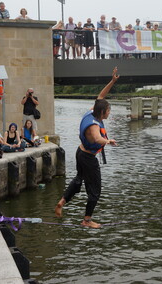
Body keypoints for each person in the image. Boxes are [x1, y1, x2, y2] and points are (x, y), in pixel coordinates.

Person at [54, 67, 120, 229]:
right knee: (95, 191)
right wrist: (108, 141)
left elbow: (101, 96)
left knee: (78, 180)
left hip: (80, 152)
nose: (109, 113)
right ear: (103, 112)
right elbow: (97, 138)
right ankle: (87, 220)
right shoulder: (94, 126)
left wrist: (112, 81)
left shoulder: (91, 112)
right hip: (88, 158)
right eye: (109, 111)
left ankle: (62, 201)